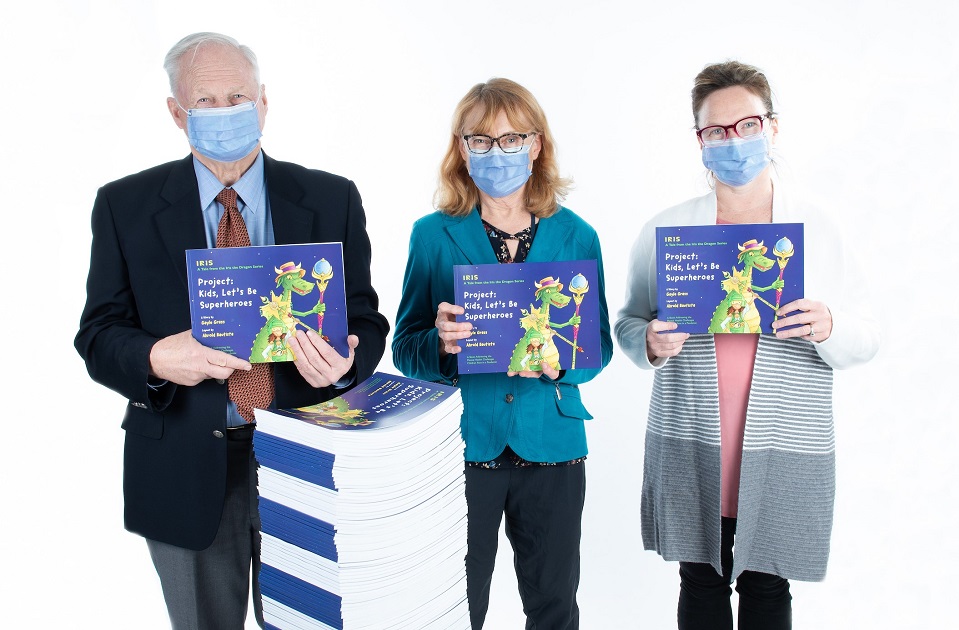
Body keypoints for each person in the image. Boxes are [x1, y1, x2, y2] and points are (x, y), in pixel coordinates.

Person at [74, 32, 389, 629]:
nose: (225, 112)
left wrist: (348, 361)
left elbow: (366, 317)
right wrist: (156, 358)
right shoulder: (125, 205)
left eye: (238, 96)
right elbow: (98, 334)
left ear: (264, 102)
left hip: (304, 458)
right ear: (176, 112)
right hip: (182, 462)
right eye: (206, 101)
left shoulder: (331, 197)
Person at [614, 60, 880, 629]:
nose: (733, 141)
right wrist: (653, 344)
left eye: (748, 125)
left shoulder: (816, 226)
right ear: (699, 142)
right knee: (700, 580)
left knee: (767, 585)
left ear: (772, 128)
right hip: (694, 438)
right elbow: (629, 325)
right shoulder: (669, 231)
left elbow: (869, 336)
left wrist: (830, 323)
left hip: (781, 441)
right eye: (716, 131)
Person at [392, 78, 612, 630]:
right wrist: (439, 345)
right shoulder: (434, 235)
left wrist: (563, 360)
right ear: (462, 150)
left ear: (536, 146)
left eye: (513, 139)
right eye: (482, 141)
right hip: (464, 445)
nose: (498, 153)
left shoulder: (577, 235)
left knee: (554, 606)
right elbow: (404, 347)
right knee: (460, 606)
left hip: (553, 442)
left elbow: (599, 347)